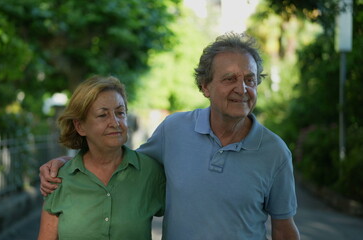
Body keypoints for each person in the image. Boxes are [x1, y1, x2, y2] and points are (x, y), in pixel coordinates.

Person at [39, 32, 300, 240]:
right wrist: (66, 164)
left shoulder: (275, 152)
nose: (241, 89)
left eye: (250, 79)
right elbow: (117, 162)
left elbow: (284, 229)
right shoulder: (174, 130)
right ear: (205, 86)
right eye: (229, 78)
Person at [37, 76, 165, 240]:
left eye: (120, 113)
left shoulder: (150, 172)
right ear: (80, 126)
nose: (115, 122)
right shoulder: (59, 179)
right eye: (103, 115)